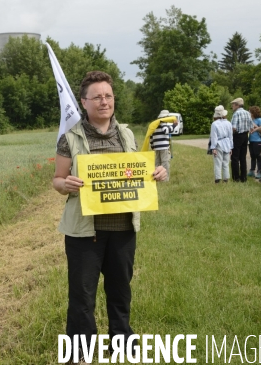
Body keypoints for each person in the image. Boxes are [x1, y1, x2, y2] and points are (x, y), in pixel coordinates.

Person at [53, 71, 167, 352]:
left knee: (120, 290)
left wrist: (157, 172)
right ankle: (80, 351)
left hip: (123, 229)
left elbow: (137, 171)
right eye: (97, 97)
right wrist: (65, 184)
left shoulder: (127, 133)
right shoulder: (70, 138)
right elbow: (57, 179)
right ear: (84, 102)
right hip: (84, 231)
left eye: (108, 96)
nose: (104, 102)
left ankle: (122, 340)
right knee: (82, 295)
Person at [229, 98, 254, 182]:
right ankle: (243, 177)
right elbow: (251, 126)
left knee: (235, 157)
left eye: (233, 104)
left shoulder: (236, 114)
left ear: (237, 105)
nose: (232, 106)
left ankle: (236, 178)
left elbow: (234, 128)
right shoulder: (248, 113)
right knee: (242, 157)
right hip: (245, 135)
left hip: (237, 136)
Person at [150, 110, 178, 182]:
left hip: (156, 147)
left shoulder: (155, 125)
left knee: (157, 163)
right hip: (164, 147)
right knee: (165, 163)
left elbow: (151, 136)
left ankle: (156, 178)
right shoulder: (163, 124)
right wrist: (174, 125)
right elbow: (166, 130)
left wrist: (153, 146)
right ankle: (165, 179)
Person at [210, 105, 233, 183]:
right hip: (227, 143)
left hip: (219, 143)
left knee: (218, 162)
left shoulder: (214, 124)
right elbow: (230, 136)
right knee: (226, 162)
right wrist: (230, 147)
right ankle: (226, 178)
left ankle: (217, 179)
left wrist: (213, 148)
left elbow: (214, 137)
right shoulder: (228, 123)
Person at [248, 106, 261, 179]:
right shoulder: (250, 120)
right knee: (252, 155)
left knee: (258, 155)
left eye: (250, 112)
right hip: (251, 140)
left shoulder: (259, 120)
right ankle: (252, 170)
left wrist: (256, 127)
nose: (249, 113)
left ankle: (259, 171)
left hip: (257, 140)